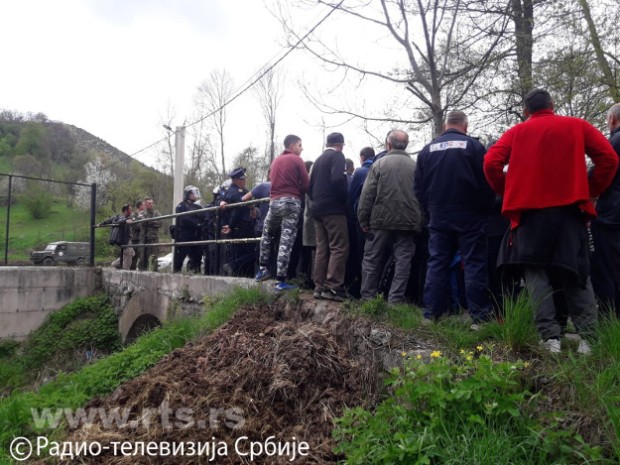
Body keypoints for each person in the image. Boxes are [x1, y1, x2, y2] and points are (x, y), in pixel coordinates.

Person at [484, 88, 618, 354]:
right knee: (575, 271)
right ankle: (588, 339)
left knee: (536, 275)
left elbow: (491, 163)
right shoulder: (576, 126)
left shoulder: (516, 132)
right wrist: (591, 189)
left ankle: (550, 339)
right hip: (569, 212)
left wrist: (509, 190)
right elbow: (608, 159)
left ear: (526, 111)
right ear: (552, 105)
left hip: (529, 215)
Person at [415, 110, 495, 327]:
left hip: (439, 215)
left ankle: (430, 314)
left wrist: (429, 210)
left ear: (445, 126)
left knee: (437, 263)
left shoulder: (427, 150)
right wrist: (483, 210)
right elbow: (487, 183)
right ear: (465, 126)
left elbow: (418, 188)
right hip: (470, 215)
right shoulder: (474, 147)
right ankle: (479, 318)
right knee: (474, 264)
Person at [358, 130, 422, 304]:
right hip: (408, 222)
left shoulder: (379, 164)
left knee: (372, 260)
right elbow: (423, 196)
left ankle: (368, 300)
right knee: (403, 262)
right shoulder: (416, 166)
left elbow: (367, 194)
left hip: (380, 220)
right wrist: (419, 221)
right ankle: (395, 301)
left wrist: (363, 220)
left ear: (388, 144)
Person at [255, 135, 309, 290]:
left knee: (267, 234)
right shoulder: (297, 160)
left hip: (274, 202)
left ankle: (262, 269)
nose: (302, 148)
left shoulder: (275, 161)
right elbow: (306, 184)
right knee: (286, 240)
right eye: (300, 145)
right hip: (291, 203)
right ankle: (281, 280)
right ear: (292, 146)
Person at [309, 132, 349, 301]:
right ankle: (333, 287)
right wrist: (343, 200)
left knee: (322, 248)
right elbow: (338, 180)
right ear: (340, 144)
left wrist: (316, 200)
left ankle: (318, 286)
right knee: (339, 247)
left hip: (317, 209)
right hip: (333, 209)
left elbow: (309, 186)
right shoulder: (338, 156)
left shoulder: (317, 160)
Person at [590, 102, 620, 317]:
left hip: (613, 215)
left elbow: (601, 169)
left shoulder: (615, 142)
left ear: (611, 119)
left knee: (607, 269)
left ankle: (609, 317)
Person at [346, 146, 375, 297]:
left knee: (361, 254)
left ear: (362, 157)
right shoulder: (379, 168)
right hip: (379, 219)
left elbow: (351, 196)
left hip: (361, 219)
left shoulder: (361, 171)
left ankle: (360, 289)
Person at [221, 167, 256, 277]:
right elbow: (237, 210)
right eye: (242, 179)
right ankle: (232, 266)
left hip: (239, 228)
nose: (244, 181)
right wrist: (231, 226)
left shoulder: (234, 191)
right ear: (236, 180)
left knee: (240, 254)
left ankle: (234, 269)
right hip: (240, 228)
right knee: (252, 253)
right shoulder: (236, 193)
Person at [173, 185, 203, 273]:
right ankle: (177, 271)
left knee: (197, 255)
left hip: (195, 234)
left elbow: (202, 216)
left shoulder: (197, 206)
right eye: (192, 194)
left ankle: (195, 271)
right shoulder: (181, 206)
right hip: (184, 234)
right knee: (180, 255)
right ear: (188, 194)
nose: (194, 196)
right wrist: (196, 222)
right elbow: (185, 218)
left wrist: (197, 222)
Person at [99, 204, 134, 270]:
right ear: (126, 211)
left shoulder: (117, 217)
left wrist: (101, 224)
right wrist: (126, 221)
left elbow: (109, 220)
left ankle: (114, 264)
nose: (131, 211)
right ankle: (125, 272)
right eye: (130, 210)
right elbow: (121, 220)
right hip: (125, 241)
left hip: (126, 240)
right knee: (128, 254)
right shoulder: (122, 217)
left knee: (131, 253)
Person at [140, 197, 161, 271]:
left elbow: (159, 223)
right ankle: (143, 273)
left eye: (152, 203)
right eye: (149, 203)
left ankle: (154, 272)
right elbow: (143, 222)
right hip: (144, 239)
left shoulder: (156, 213)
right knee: (143, 258)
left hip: (154, 238)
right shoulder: (142, 213)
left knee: (154, 257)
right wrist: (153, 221)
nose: (151, 205)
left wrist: (149, 221)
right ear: (145, 204)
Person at [129, 200, 145, 270]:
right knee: (134, 256)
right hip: (135, 239)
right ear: (140, 206)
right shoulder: (133, 215)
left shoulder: (143, 215)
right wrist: (143, 226)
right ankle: (132, 270)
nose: (144, 206)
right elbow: (135, 225)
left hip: (142, 238)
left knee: (142, 257)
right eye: (143, 205)